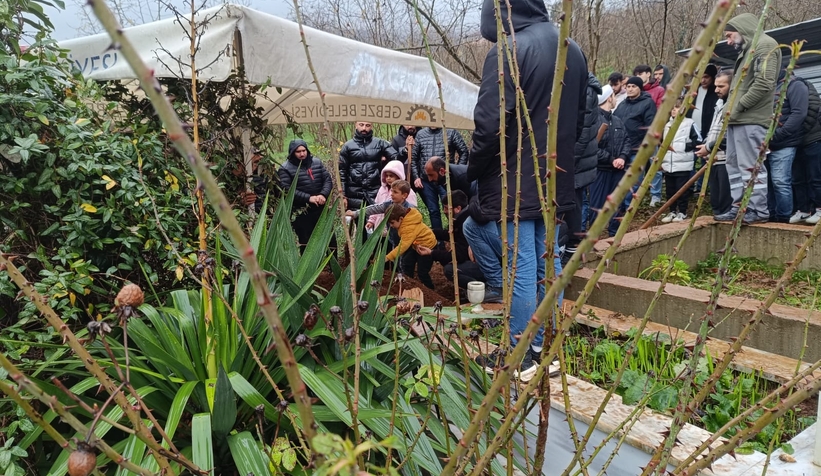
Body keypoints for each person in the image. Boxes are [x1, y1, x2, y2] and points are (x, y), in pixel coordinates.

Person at [465, 0, 587, 382]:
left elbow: (489, 126)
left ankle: (519, 353)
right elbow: (581, 119)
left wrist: (474, 171)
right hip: (554, 178)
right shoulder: (573, 48)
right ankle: (545, 347)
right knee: (547, 265)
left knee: (520, 269)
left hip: (515, 182)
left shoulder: (509, 51)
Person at [715, 13, 781, 224]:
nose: (728, 41)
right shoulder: (747, 50)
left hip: (751, 119)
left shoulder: (765, 45)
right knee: (733, 166)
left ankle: (757, 210)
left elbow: (764, 83)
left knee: (751, 166)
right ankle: (739, 206)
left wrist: (738, 107)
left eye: (730, 35)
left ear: (743, 29)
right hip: (737, 119)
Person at [565, 72, 603, 264]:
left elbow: (583, 132)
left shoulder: (586, 90)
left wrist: (567, 162)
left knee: (574, 202)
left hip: (577, 161)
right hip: (576, 159)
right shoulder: (580, 85)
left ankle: (572, 248)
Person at [416, 190, 485, 293]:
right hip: (480, 261)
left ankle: (480, 289)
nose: (444, 211)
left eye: (446, 208)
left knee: (450, 270)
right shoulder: (464, 217)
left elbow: (458, 256)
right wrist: (430, 232)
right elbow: (452, 235)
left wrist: (432, 252)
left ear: (458, 208)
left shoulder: (466, 223)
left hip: (484, 265)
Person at [588, 85, 633, 236]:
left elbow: (627, 141)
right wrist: (611, 159)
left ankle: (615, 234)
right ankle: (593, 237)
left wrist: (622, 157)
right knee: (596, 205)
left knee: (618, 204)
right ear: (609, 98)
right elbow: (592, 146)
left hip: (617, 171)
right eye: (614, 96)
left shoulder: (617, 120)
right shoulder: (594, 120)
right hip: (600, 171)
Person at [766, 69, 808, 223]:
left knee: (780, 181)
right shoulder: (769, 87)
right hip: (766, 144)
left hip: (784, 142)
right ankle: (771, 215)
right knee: (768, 182)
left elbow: (799, 113)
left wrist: (779, 134)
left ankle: (783, 217)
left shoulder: (795, 85)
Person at [278, 140, 334, 250]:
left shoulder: (317, 162)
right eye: (298, 151)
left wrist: (323, 195)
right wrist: (308, 198)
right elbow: (286, 190)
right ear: (292, 152)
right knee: (306, 243)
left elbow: (327, 180)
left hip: (321, 208)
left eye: (304, 150)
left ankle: (333, 265)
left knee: (330, 239)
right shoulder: (285, 168)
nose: (302, 154)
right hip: (302, 211)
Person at [411, 127, 469, 229]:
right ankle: (438, 241)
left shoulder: (451, 132)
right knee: (433, 210)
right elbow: (414, 157)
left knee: (450, 208)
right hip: (426, 181)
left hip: (444, 180)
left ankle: (454, 234)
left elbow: (463, 151)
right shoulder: (421, 134)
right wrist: (416, 177)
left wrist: (455, 171)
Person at [614, 76, 659, 206]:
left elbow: (650, 125)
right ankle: (620, 206)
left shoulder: (647, 103)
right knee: (621, 180)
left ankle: (629, 207)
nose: (630, 89)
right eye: (628, 86)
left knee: (634, 180)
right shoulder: (622, 104)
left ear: (640, 88)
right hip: (622, 149)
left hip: (637, 148)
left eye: (633, 86)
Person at [696, 69, 733, 217]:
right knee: (716, 198)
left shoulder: (733, 105)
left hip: (727, 158)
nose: (716, 90)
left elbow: (731, 136)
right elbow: (714, 128)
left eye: (721, 86)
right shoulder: (719, 104)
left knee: (726, 198)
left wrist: (709, 147)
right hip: (713, 158)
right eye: (716, 86)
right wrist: (706, 144)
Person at [339, 121, 398, 211]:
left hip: (375, 190)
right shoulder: (347, 146)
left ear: (372, 126)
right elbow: (342, 172)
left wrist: (405, 150)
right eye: (361, 125)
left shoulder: (380, 143)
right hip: (354, 192)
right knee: (357, 221)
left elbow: (396, 158)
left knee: (376, 221)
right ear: (356, 125)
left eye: (367, 125)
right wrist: (343, 195)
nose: (364, 128)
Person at [660, 98, 699, 223]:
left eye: (676, 108)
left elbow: (698, 140)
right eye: (672, 108)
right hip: (668, 164)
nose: (673, 111)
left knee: (681, 189)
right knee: (670, 189)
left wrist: (685, 147)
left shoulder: (690, 123)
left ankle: (682, 212)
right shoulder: (667, 125)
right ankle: (672, 211)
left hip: (683, 163)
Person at [790, 77, 821, 224]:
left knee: (815, 177)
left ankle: (819, 209)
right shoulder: (781, 91)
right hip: (795, 142)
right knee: (797, 178)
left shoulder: (804, 86)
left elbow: (812, 110)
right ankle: (803, 210)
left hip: (812, 139)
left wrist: (798, 131)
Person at [385, 204, 437, 289]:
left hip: (427, 248)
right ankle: (408, 285)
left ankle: (430, 290)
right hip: (416, 245)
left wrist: (388, 257)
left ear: (401, 219)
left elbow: (403, 246)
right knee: (407, 263)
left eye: (392, 222)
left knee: (422, 272)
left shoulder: (408, 227)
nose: (391, 225)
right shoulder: (407, 220)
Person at [368, 160, 418, 231]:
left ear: (398, 176)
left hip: (397, 229)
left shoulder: (408, 192)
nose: (388, 178)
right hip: (380, 228)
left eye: (391, 176)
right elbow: (377, 206)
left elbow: (412, 210)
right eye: (387, 176)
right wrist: (371, 221)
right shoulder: (382, 189)